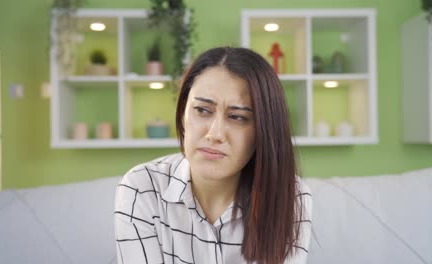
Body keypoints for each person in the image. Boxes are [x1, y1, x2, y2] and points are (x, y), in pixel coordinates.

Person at [114, 46, 312, 264]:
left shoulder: (290, 196)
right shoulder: (142, 188)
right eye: (202, 110)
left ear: (263, 130)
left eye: (237, 117)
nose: (214, 134)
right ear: (182, 114)